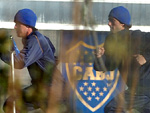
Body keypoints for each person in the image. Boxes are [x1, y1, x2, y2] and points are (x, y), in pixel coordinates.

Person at [94, 6, 150, 113]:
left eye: (112, 21)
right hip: (139, 91)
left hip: (143, 89)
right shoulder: (111, 40)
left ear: (122, 24)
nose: (109, 24)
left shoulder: (136, 36)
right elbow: (109, 66)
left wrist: (145, 57)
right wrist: (99, 57)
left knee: (112, 108)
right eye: (108, 20)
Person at [0, 8, 55, 113]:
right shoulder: (37, 39)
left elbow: (20, 62)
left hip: (51, 91)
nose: (15, 27)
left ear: (27, 26)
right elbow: (52, 50)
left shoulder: (36, 40)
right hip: (40, 89)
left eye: (17, 24)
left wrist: (2, 52)